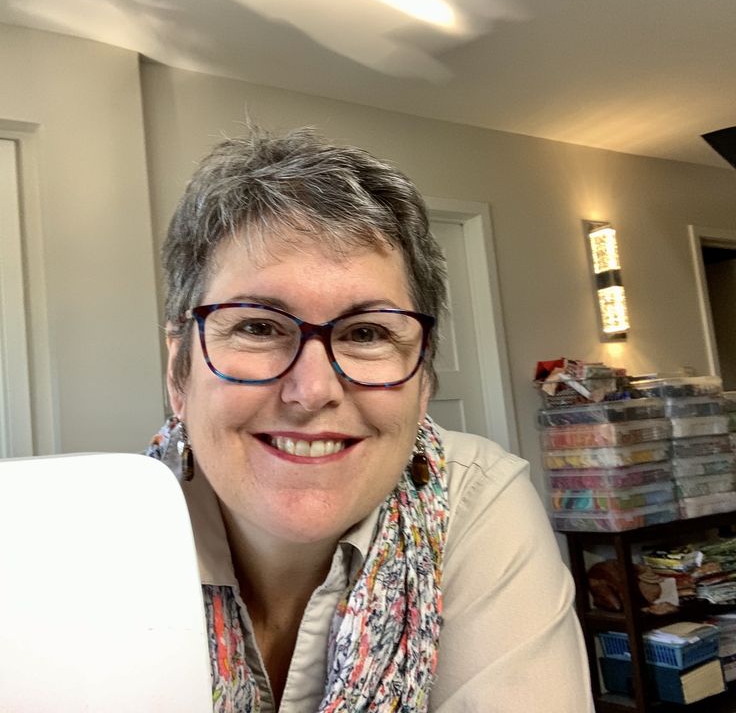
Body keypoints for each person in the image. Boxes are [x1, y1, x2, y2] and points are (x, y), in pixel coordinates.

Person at [147, 126, 594, 712]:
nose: (311, 391)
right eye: (257, 326)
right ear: (179, 370)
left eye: (366, 333)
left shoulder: (475, 496)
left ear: (423, 383)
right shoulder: (86, 544)